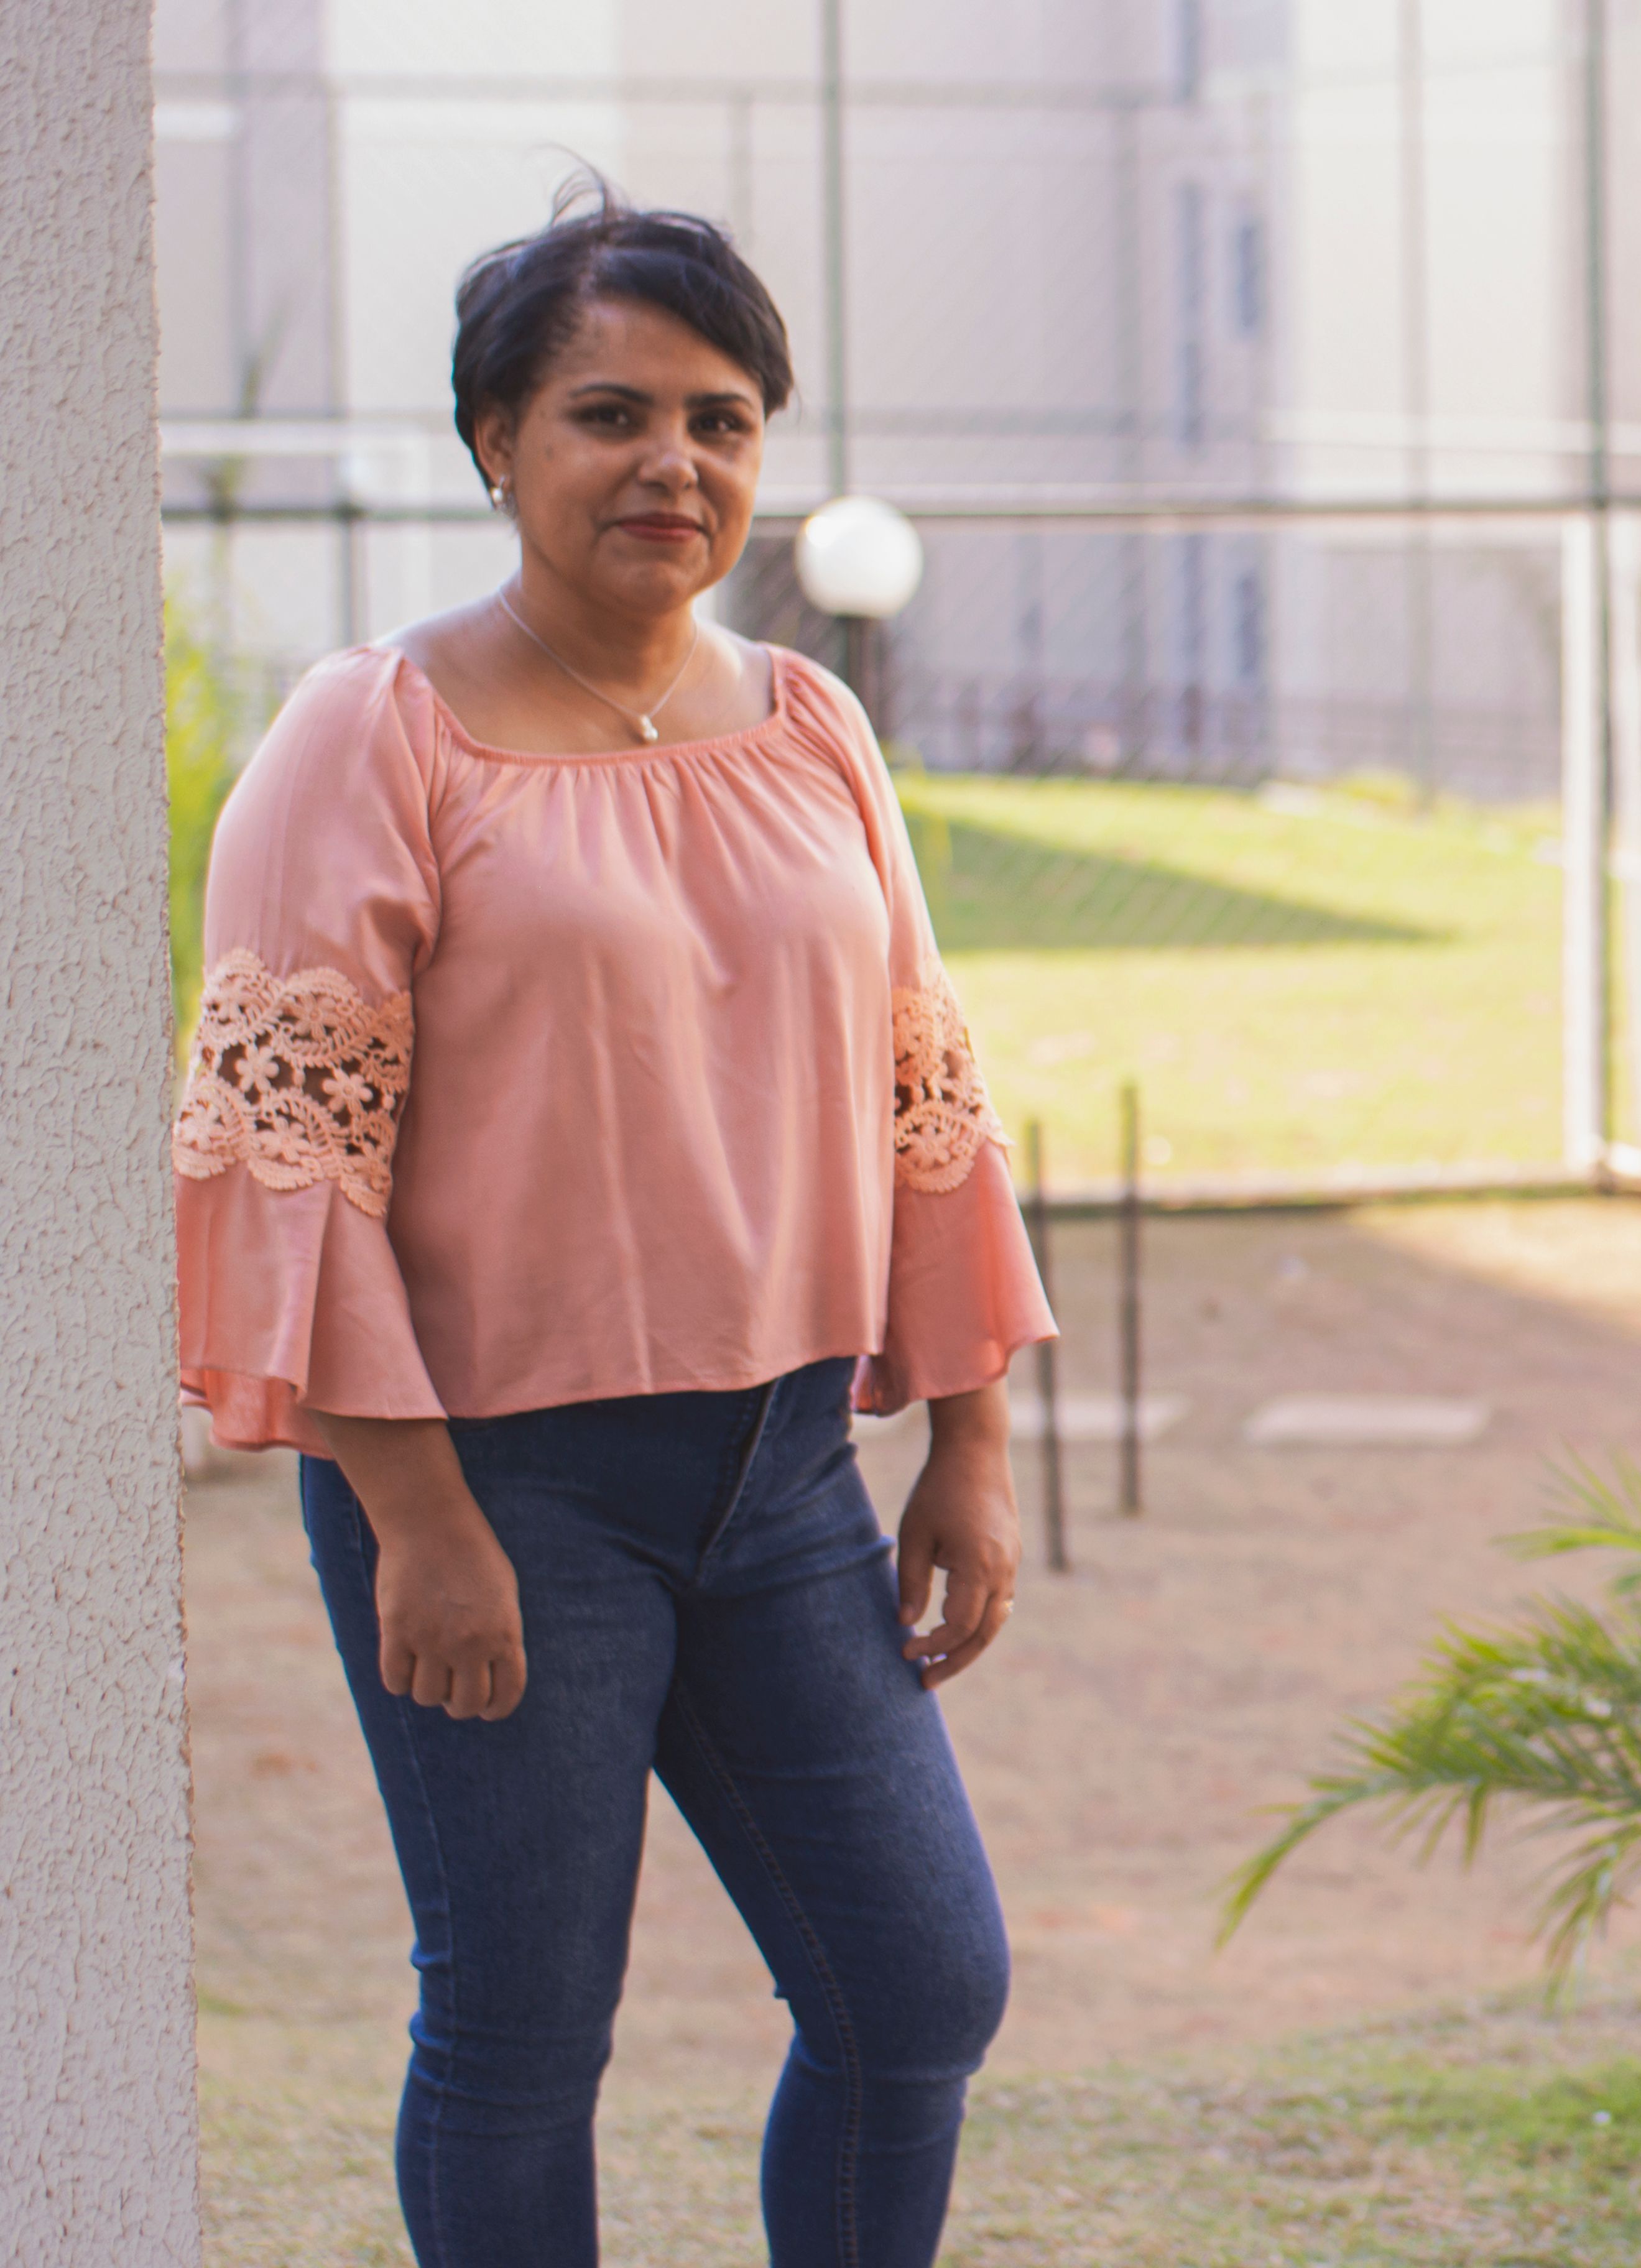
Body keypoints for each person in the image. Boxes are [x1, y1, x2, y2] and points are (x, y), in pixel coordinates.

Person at [173, 184, 1052, 2268]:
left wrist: (974, 1440)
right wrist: (420, 1517)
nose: (677, 462)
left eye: (725, 418)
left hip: (784, 1475)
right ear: (496, 440)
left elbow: (922, 1078)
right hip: (499, 1484)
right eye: (611, 413)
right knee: (520, 2027)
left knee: (918, 1985)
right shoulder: (371, 734)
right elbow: (287, 1154)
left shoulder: (814, 727)